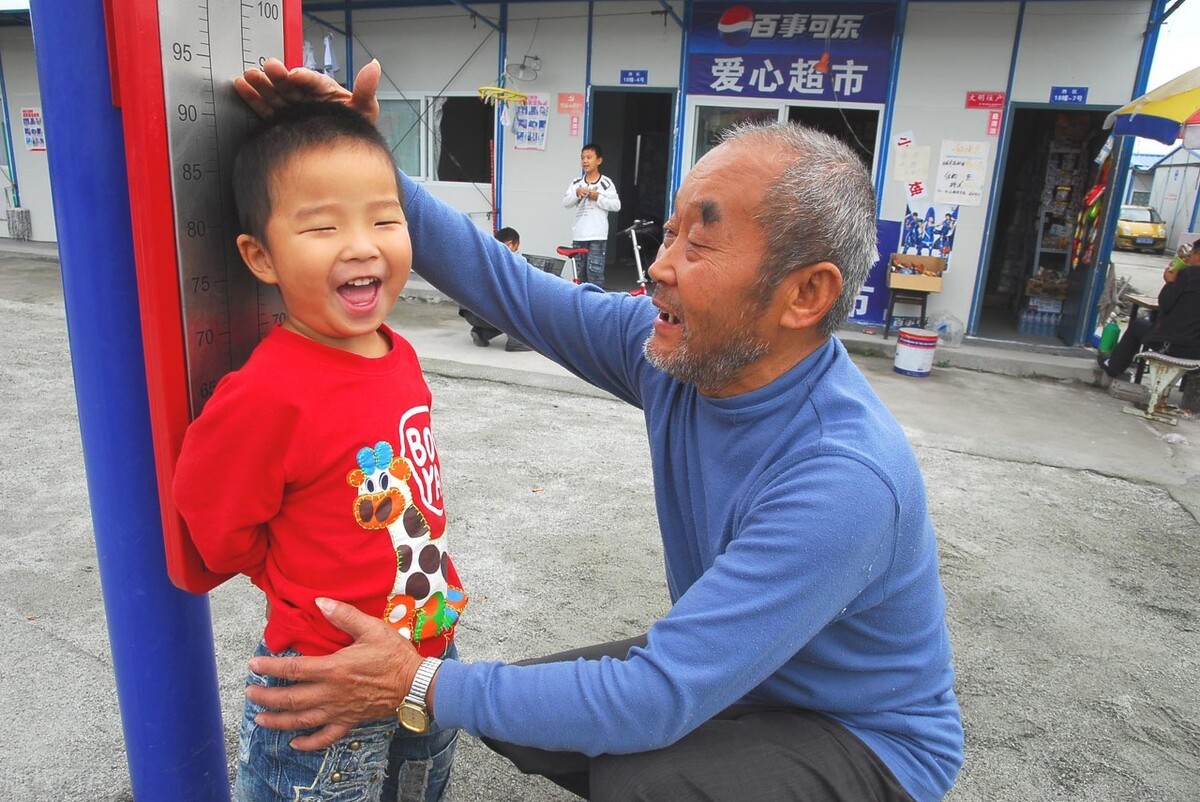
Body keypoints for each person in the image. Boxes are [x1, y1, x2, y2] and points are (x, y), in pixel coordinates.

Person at [235, 59, 963, 802]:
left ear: (806, 293)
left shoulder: (841, 477)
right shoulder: (679, 353)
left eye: (701, 245)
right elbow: (508, 288)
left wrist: (412, 681)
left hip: (867, 738)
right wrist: (360, 165)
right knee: (524, 714)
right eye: (670, 231)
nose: (662, 269)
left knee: (645, 774)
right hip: (762, 673)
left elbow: (653, 698)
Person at [172, 100, 467, 802]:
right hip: (323, 684)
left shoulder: (399, 353)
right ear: (261, 257)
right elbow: (213, 518)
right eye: (322, 226)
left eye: (383, 219)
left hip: (429, 650)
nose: (362, 245)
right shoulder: (269, 392)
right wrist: (291, 580)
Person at [1099, 236, 1200, 378]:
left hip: (1174, 346)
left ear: (1198, 254)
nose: (1189, 258)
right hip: (1197, 352)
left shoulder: (1188, 274)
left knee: (1137, 325)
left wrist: (1170, 282)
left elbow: (1165, 304)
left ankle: (1113, 367)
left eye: (1192, 254)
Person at [458, 227, 531, 351]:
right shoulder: (504, 261)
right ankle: (516, 341)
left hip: (469, 313)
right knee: (519, 303)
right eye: (515, 248)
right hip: (484, 312)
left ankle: (481, 333)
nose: (515, 253)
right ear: (510, 244)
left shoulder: (482, 253)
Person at [562, 143, 621, 288]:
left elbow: (616, 205)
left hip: (597, 235)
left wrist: (598, 197)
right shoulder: (576, 183)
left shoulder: (606, 183)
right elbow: (566, 203)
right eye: (582, 158)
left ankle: (596, 307)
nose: (585, 161)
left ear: (599, 160)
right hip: (579, 235)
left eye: (589, 157)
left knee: (595, 275)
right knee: (579, 275)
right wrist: (576, 193)